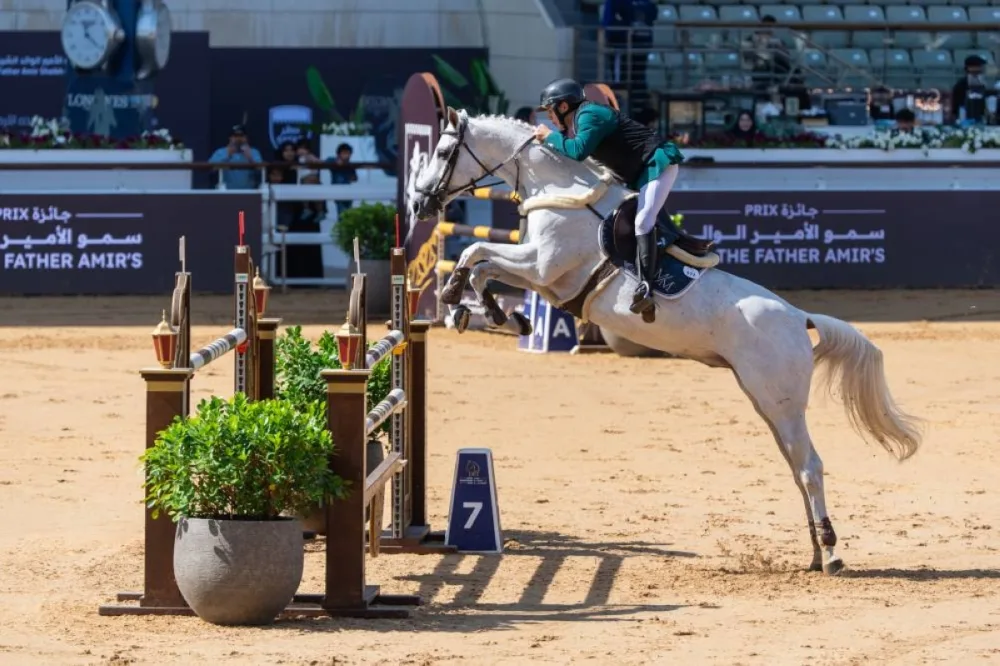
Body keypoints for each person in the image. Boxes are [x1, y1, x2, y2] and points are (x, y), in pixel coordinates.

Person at [532, 77, 685, 320]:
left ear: (563, 107)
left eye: (550, 110)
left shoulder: (589, 115)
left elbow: (578, 152)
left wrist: (549, 137)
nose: (549, 118)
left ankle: (646, 288)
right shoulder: (581, 119)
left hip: (658, 164)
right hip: (639, 172)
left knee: (643, 220)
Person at [208, 124, 262, 189]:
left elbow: (261, 171)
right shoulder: (221, 152)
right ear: (230, 138)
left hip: (248, 191)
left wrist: (250, 158)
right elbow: (210, 169)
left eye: (241, 136)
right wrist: (228, 156)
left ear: (246, 138)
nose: (238, 139)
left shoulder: (254, 152)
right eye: (235, 136)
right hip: (226, 192)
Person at [951, 55, 988, 124]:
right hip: (965, 116)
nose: (981, 68)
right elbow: (957, 103)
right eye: (978, 66)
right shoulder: (961, 84)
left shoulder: (982, 83)